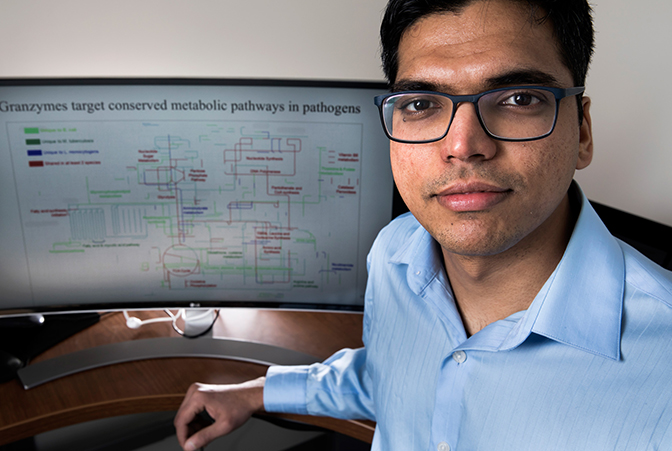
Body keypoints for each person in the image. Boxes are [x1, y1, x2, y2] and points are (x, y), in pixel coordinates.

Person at [175, 0, 672, 449]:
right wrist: (258, 391)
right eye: (421, 104)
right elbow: (387, 376)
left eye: (519, 98)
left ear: (582, 132)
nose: (463, 145)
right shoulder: (394, 253)